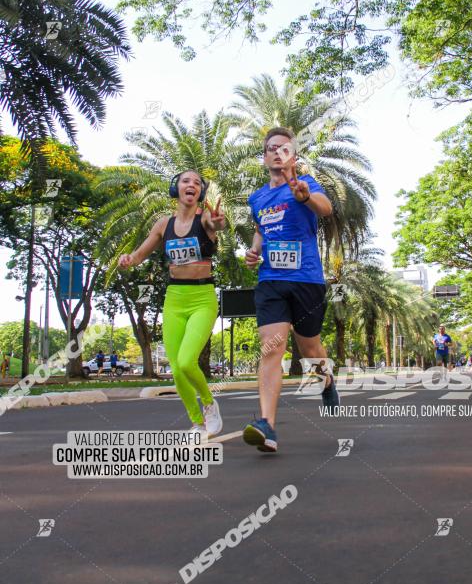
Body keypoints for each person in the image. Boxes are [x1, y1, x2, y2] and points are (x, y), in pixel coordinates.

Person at [243, 127, 338, 453]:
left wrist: (305, 196)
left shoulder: (306, 184)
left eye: (284, 148)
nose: (277, 152)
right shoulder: (257, 198)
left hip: (307, 280)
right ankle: (267, 425)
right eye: (271, 148)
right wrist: (254, 251)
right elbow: (260, 228)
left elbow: (325, 209)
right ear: (265, 157)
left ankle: (327, 380)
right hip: (271, 281)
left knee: (309, 346)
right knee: (272, 348)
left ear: (293, 157)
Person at [118, 170, 226, 441]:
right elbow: (140, 254)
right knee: (176, 368)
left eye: (197, 183)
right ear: (175, 188)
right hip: (174, 298)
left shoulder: (205, 219)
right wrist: (128, 259)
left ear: (200, 192)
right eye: (186, 181)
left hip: (203, 298)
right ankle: (197, 422)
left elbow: (217, 226)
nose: (191, 185)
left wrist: (217, 222)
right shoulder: (162, 224)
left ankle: (210, 405)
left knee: (188, 361)